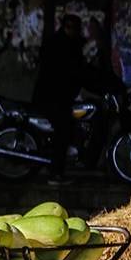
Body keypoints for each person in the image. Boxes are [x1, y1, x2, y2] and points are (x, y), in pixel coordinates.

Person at [32, 14, 88, 185]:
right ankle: (55, 173)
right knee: (63, 130)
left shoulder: (60, 42)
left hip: (55, 96)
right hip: (53, 98)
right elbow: (71, 71)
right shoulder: (62, 45)